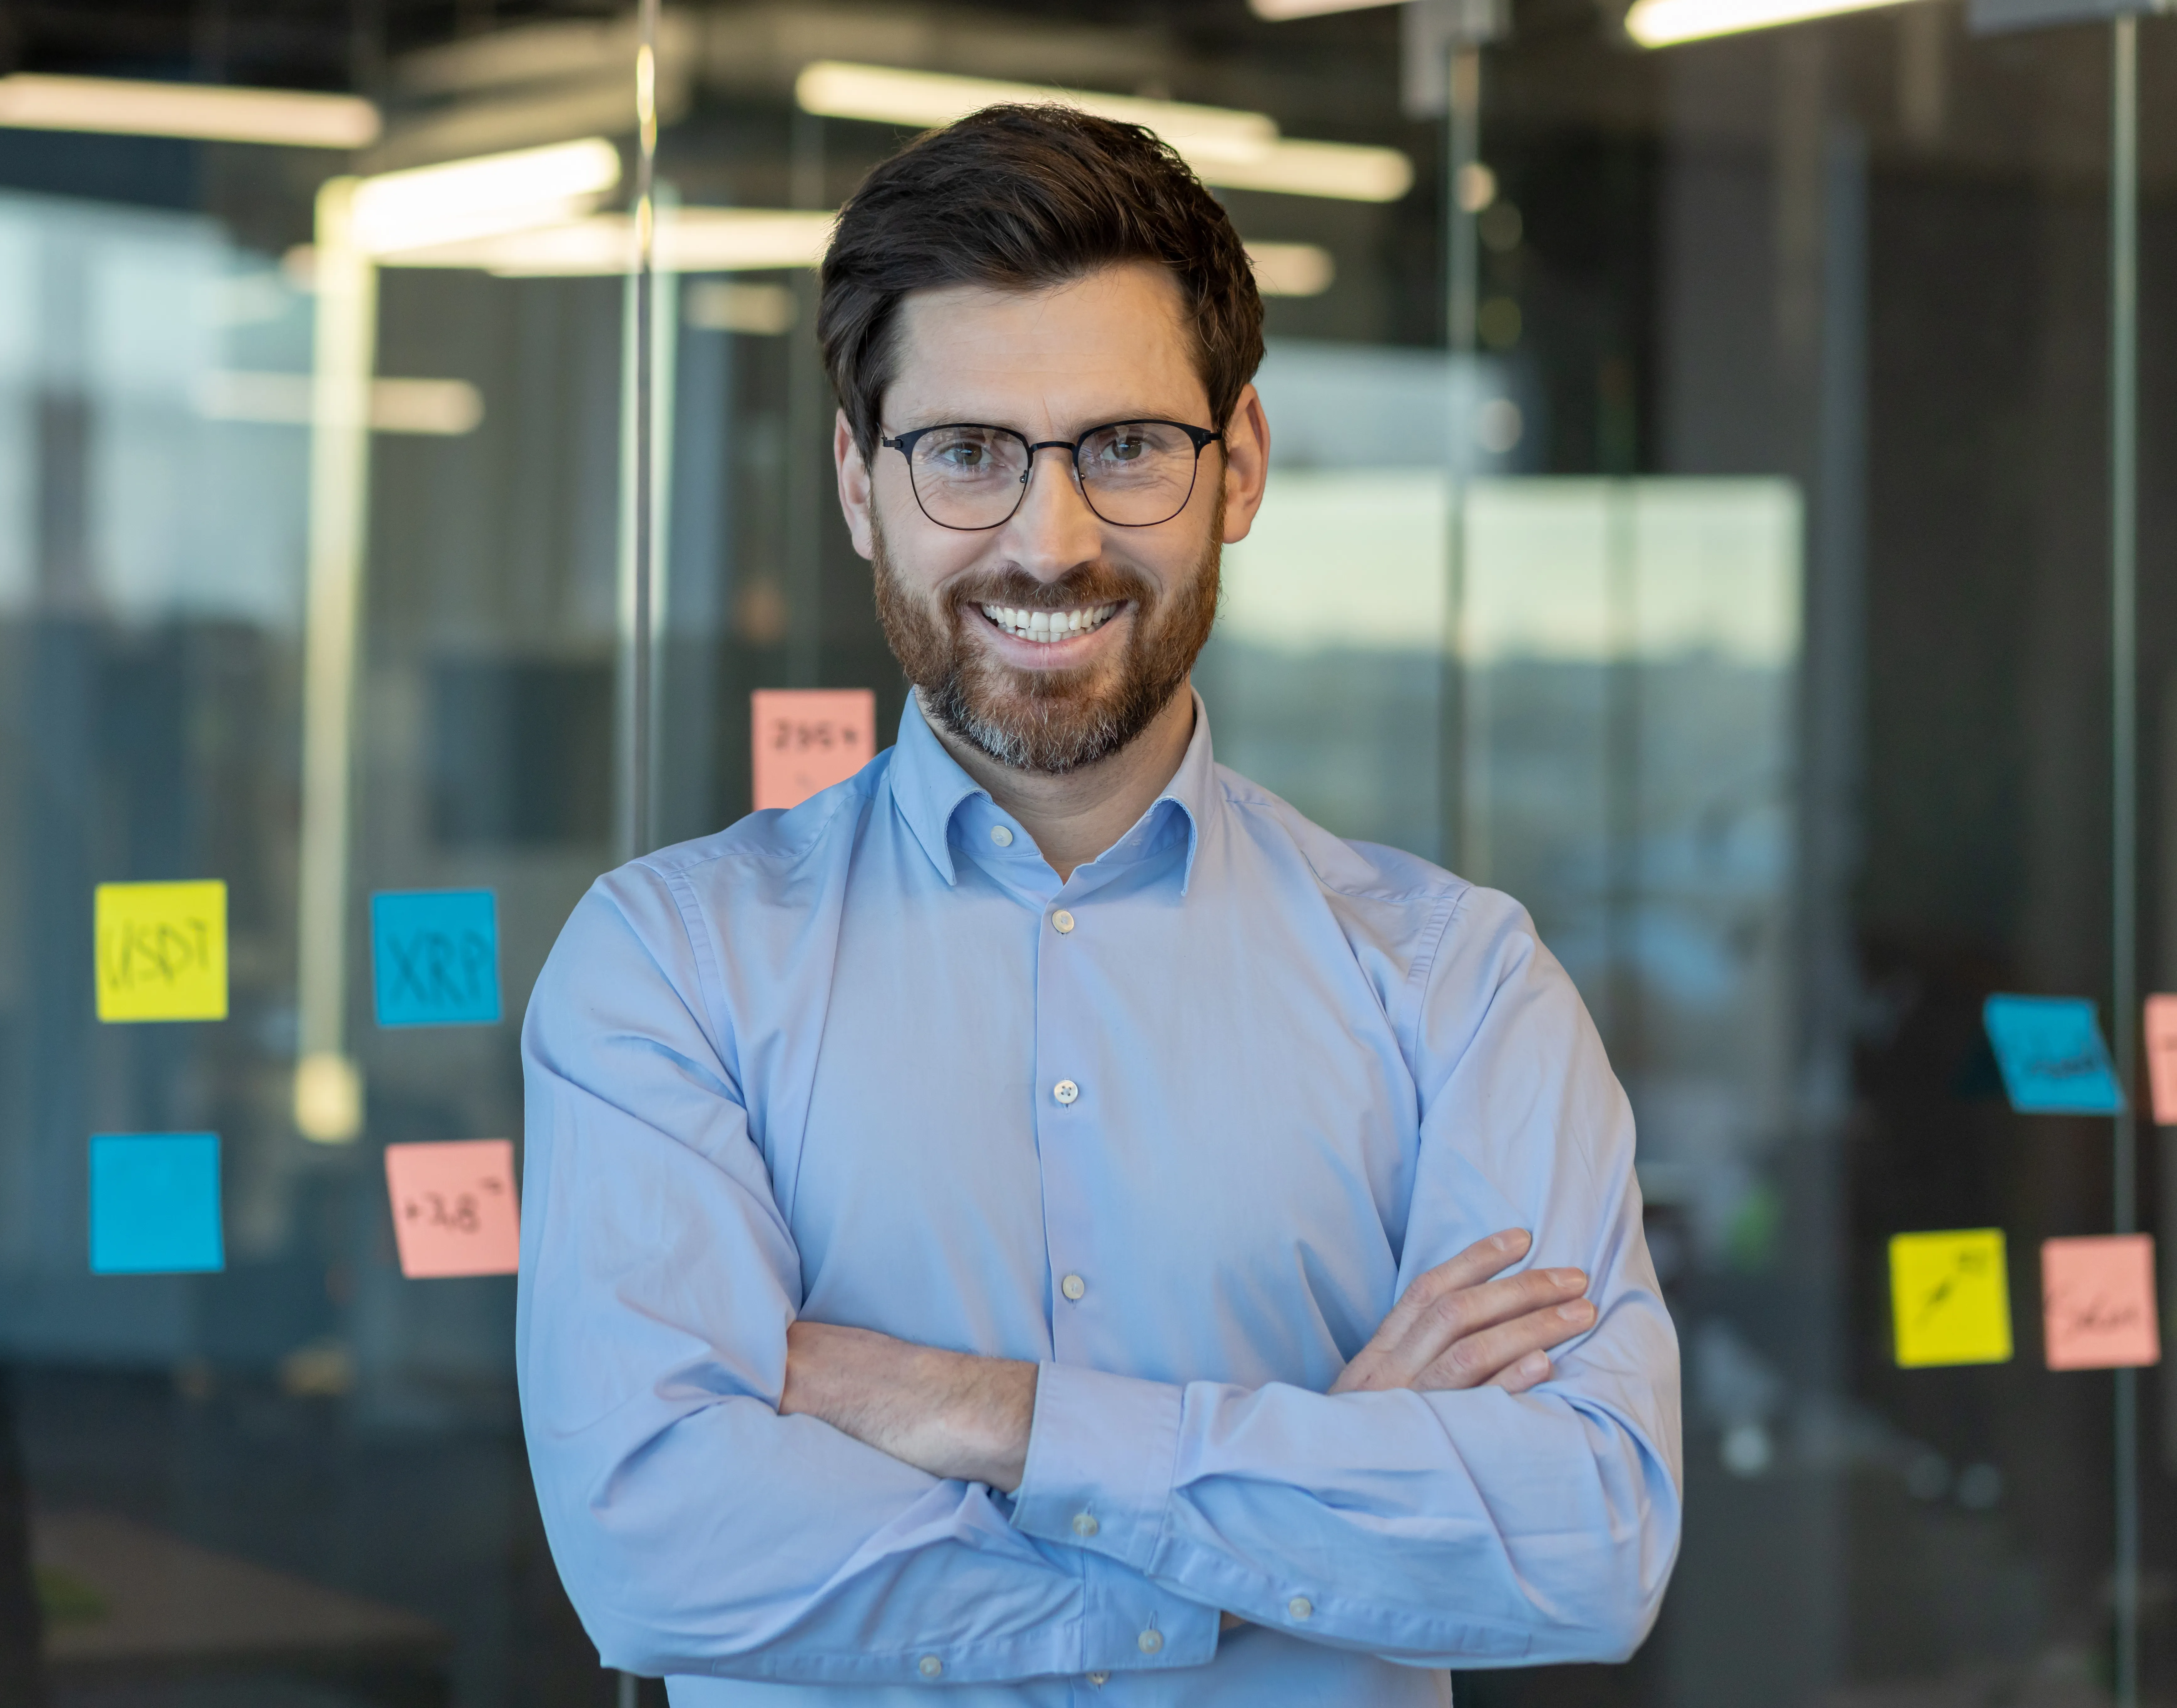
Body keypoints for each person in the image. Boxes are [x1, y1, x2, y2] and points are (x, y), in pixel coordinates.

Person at [517, 104, 1681, 1705]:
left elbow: (1586, 1539)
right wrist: (1311, 1503)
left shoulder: (1455, 983)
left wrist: (983, 1414)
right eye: (966, 453)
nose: (1048, 539)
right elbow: (657, 1552)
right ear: (861, 485)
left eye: (1124, 447)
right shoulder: (670, 968)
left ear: (1239, 467)